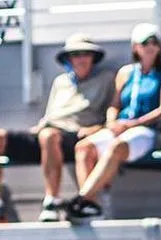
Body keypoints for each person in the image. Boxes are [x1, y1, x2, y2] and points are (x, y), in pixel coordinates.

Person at [64, 23, 161, 221]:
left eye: (154, 42)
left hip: (146, 130)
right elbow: (114, 104)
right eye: (145, 42)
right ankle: (92, 206)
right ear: (135, 47)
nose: (150, 46)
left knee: (117, 147)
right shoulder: (126, 73)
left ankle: (83, 200)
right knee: (84, 147)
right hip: (121, 127)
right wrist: (112, 122)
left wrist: (132, 124)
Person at [0, 34, 115, 222]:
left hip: (77, 134)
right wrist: (39, 127)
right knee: (2, 137)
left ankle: (52, 201)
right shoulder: (60, 82)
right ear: (69, 59)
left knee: (49, 136)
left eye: (86, 54)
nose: (81, 59)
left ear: (93, 57)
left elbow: (114, 110)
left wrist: (99, 128)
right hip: (49, 130)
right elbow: (50, 114)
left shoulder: (106, 79)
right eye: (76, 54)